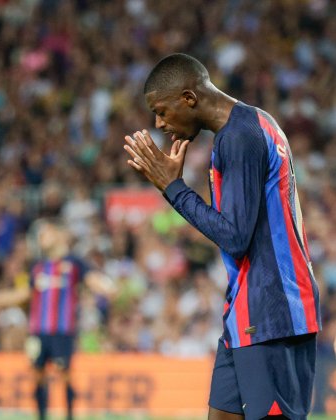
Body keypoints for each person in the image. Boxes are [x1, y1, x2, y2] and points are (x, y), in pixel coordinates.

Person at [123, 53, 320, 420]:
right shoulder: (254, 122)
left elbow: (234, 237)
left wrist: (173, 188)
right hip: (246, 309)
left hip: (273, 312)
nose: (158, 123)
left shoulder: (239, 137)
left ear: (189, 98)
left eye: (162, 111)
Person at [0, 218, 116, 420]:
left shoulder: (73, 263)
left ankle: (68, 415)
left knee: (64, 373)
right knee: (37, 375)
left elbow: (92, 279)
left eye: (45, 232)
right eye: (39, 236)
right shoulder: (38, 267)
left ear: (57, 234)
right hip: (38, 331)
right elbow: (23, 293)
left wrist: (108, 288)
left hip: (62, 330)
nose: (42, 238)